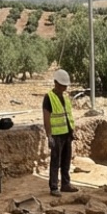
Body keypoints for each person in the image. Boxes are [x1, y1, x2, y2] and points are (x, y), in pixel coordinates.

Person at [43, 69, 79, 197]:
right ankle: (54, 187)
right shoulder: (49, 98)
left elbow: (68, 115)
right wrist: (49, 135)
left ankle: (65, 184)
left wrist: (72, 131)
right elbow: (46, 118)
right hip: (56, 135)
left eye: (65, 85)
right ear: (55, 83)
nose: (64, 87)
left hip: (67, 134)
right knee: (55, 161)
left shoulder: (65, 97)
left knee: (66, 160)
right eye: (62, 85)